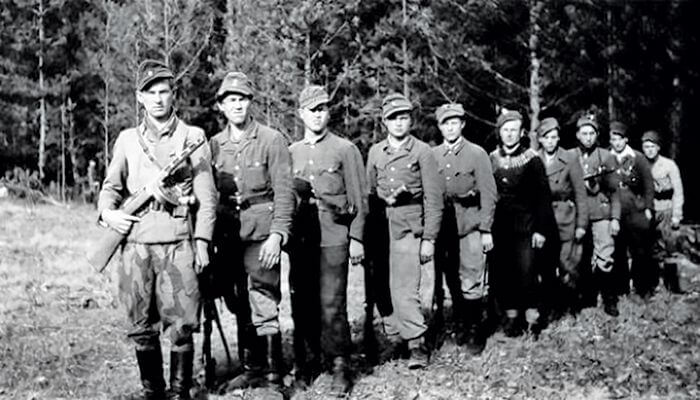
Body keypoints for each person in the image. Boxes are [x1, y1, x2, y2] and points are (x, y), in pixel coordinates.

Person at [98, 60, 217, 400]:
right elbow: (111, 187)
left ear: (173, 94)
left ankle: (180, 394)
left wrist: (202, 242)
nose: (158, 99)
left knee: (182, 326)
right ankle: (153, 392)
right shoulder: (127, 140)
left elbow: (207, 197)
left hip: (178, 243)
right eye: (151, 93)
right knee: (140, 326)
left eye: (164, 92)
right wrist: (108, 213)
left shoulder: (192, 137)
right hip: (136, 244)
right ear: (140, 97)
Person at [209, 72, 294, 391]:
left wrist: (277, 235)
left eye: (242, 99)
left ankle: (272, 377)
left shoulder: (271, 140)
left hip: (262, 234)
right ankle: (251, 369)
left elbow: (284, 193)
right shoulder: (214, 145)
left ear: (250, 103)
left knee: (264, 299)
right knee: (237, 300)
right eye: (230, 100)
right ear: (221, 106)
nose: (237, 105)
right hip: (228, 235)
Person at [287, 85, 367, 395]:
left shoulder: (345, 149)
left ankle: (339, 365)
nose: (318, 115)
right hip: (301, 241)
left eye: (322, 108)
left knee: (333, 304)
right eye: (312, 110)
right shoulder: (291, 152)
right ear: (301, 114)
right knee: (302, 303)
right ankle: (307, 362)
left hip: (334, 236)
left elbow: (359, 198)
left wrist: (356, 237)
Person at [366, 93, 443, 369]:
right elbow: (369, 191)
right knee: (381, 285)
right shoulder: (376, 152)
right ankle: (395, 337)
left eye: (404, 117)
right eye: (393, 118)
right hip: (380, 225)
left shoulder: (422, 151)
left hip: (409, 226)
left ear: (411, 120)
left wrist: (429, 238)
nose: (399, 123)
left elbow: (434, 198)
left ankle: (416, 343)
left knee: (405, 286)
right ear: (384, 122)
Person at [432, 103, 496, 354]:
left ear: (463, 125)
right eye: (445, 123)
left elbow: (489, 194)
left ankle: (474, 328)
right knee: (451, 278)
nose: (450, 128)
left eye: (454, 123)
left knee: (471, 277)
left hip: (470, 225)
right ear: (439, 127)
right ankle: (459, 323)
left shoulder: (477, 153)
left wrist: (486, 228)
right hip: (444, 228)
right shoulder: (432, 155)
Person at [489, 110, 556, 337]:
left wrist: (540, 230)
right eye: (505, 130)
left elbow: (543, 198)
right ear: (499, 132)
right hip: (500, 228)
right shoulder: (491, 159)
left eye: (514, 130)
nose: (509, 134)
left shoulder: (532, 159)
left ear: (522, 133)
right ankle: (511, 318)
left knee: (527, 271)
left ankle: (532, 319)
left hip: (527, 227)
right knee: (505, 272)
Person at [536, 117, 588, 317]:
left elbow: (580, 193)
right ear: (540, 139)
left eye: (554, 137)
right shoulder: (534, 159)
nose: (550, 141)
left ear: (559, 138)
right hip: (543, 219)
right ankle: (550, 308)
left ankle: (572, 306)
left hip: (565, 217)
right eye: (546, 137)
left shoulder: (570, 158)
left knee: (567, 263)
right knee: (546, 266)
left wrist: (581, 224)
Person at [572, 115, 621, 316]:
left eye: (592, 133)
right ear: (577, 135)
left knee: (605, 256)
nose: (588, 137)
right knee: (581, 256)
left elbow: (614, 191)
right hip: (578, 214)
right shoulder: (570, 156)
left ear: (597, 135)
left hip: (601, 212)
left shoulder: (606, 157)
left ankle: (609, 299)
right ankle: (585, 298)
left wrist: (615, 218)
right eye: (584, 133)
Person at [608, 122, 655, 299]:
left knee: (640, 250)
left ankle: (643, 288)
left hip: (636, 209)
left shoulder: (638, 158)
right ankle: (621, 289)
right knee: (618, 250)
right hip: (616, 211)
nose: (617, 143)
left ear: (626, 140)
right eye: (614, 139)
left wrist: (648, 207)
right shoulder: (607, 157)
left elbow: (648, 185)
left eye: (620, 139)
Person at [641, 130, 684, 293]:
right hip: (647, 212)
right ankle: (651, 284)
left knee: (669, 247)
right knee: (650, 249)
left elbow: (678, 191)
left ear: (658, 147)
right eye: (646, 147)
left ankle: (672, 285)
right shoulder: (640, 164)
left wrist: (677, 215)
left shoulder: (669, 165)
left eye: (652, 147)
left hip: (666, 210)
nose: (649, 150)